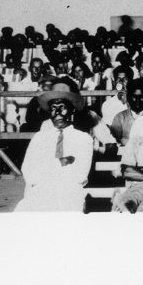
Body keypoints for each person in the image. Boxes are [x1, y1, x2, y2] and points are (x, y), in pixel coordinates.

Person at [14, 84, 94, 212]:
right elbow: (29, 173)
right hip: (39, 192)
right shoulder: (39, 138)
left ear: (72, 110)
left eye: (62, 107)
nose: (57, 113)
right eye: (53, 108)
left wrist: (45, 165)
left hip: (69, 194)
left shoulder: (83, 139)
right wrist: (62, 162)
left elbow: (80, 176)